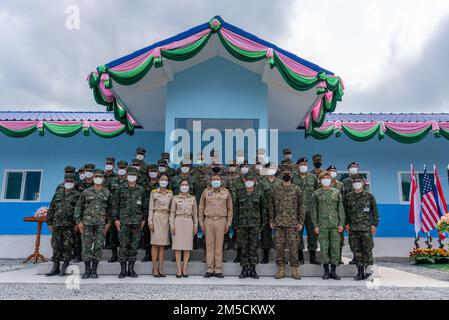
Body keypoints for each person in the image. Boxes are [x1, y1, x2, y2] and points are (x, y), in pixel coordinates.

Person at [74, 170, 113, 279]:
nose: (98, 178)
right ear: (93, 178)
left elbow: (111, 210)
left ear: (103, 179)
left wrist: (109, 224)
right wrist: (79, 222)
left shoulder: (107, 193)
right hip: (86, 224)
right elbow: (78, 208)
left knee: (98, 246)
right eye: (96, 176)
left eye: (100, 176)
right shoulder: (86, 192)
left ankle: (94, 270)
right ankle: (87, 271)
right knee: (86, 246)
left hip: (101, 224)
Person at [269, 165, 304, 280]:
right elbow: (271, 206)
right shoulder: (275, 189)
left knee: (294, 247)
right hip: (278, 223)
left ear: (292, 175)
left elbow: (301, 207)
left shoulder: (297, 189)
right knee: (279, 247)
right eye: (284, 173)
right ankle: (281, 269)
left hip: (293, 224)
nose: (286, 175)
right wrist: (271, 220)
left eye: (288, 173)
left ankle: (294, 269)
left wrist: (300, 222)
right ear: (281, 174)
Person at [113, 167, 148, 278]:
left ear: (137, 177)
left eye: (134, 175)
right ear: (127, 176)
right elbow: (115, 205)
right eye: (130, 175)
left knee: (134, 246)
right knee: (123, 245)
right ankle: (123, 270)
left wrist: (144, 220)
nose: (131, 177)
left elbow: (145, 206)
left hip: (137, 222)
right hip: (123, 222)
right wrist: (116, 220)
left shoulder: (141, 189)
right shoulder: (121, 188)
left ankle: (131, 269)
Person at [344, 174, 379, 280]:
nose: (357, 183)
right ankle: (360, 273)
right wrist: (346, 224)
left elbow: (375, 212)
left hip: (366, 229)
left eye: (359, 181)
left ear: (363, 183)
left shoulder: (369, 196)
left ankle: (368, 273)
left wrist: (374, 225)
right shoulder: (348, 196)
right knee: (356, 251)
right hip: (353, 229)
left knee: (368, 251)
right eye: (354, 182)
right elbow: (344, 211)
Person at [312, 171, 345, 280]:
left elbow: (340, 209)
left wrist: (341, 224)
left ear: (330, 179)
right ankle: (326, 271)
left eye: (328, 177)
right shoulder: (316, 193)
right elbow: (314, 211)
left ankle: (333, 271)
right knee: (324, 248)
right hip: (322, 225)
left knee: (335, 247)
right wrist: (315, 225)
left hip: (335, 225)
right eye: (324, 178)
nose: (326, 179)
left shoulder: (336, 192)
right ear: (320, 180)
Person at [199, 174, 233, 278]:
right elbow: (201, 208)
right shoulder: (205, 192)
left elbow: (230, 209)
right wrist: (201, 223)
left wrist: (228, 223)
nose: (215, 181)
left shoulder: (226, 193)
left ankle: (218, 270)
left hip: (221, 221)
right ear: (210, 181)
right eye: (213, 179)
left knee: (219, 246)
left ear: (221, 181)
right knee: (209, 246)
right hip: (208, 221)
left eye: (217, 179)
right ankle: (209, 269)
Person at [46, 175, 81, 276]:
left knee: (68, 246)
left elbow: (80, 210)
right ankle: (55, 267)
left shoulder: (77, 195)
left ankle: (65, 265)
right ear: (64, 181)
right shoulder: (57, 194)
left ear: (74, 183)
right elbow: (51, 209)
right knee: (56, 245)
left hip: (70, 225)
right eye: (67, 180)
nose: (68, 182)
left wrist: (77, 223)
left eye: (71, 181)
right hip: (57, 224)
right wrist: (49, 223)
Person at [234, 172, 267, 279]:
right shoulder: (240, 193)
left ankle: (252, 269)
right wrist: (236, 224)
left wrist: (262, 224)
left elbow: (263, 210)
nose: (249, 181)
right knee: (244, 247)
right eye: (247, 179)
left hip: (255, 225)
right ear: (244, 180)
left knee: (253, 247)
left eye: (251, 180)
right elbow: (236, 210)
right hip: (242, 225)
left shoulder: (259, 193)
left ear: (254, 181)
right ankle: (244, 269)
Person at [292, 157, 320, 265]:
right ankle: (300, 257)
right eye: (301, 164)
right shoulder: (293, 178)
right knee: (297, 234)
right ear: (297, 166)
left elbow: (317, 193)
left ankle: (313, 257)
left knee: (312, 234)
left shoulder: (313, 178)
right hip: (297, 211)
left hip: (311, 210)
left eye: (305, 164)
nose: (304, 165)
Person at [170, 179, 198, 278]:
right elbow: (172, 213)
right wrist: (172, 225)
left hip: (189, 222)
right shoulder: (175, 198)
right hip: (178, 221)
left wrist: (195, 226)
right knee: (177, 247)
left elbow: (195, 214)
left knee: (187, 247)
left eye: (186, 184)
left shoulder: (193, 198)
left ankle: (184, 269)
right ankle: (178, 270)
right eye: (182, 184)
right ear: (179, 186)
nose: (184, 186)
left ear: (189, 186)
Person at [148, 174, 173, 277]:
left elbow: (172, 209)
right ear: (159, 181)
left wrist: (171, 222)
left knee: (162, 245)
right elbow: (150, 208)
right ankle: (154, 268)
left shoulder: (170, 193)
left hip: (166, 218)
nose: (164, 181)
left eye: (166, 179)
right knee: (155, 244)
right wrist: (150, 221)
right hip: (156, 217)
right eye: (162, 179)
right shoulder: (154, 192)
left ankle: (161, 269)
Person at [258, 162, 281, 264]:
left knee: (279, 235)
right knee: (265, 234)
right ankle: (265, 256)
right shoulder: (262, 182)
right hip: (265, 211)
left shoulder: (280, 182)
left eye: (273, 168)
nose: (271, 170)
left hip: (278, 212)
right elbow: (260, 197)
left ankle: (279, 257)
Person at [107, 160, 128, 263]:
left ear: (126, 169)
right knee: (113, 235)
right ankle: (114, 255)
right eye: (120, 168)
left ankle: (123, 255)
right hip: (113, 211)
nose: (121, 170)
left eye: (123, 168)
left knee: (124, 236)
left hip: (126, 212)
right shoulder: (112, 181)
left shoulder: (129, 182)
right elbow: (107, 194)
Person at [141, 164, 160, 262]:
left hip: (158, 213)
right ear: (148, 173)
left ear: (158, 172)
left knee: (157, 234)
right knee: (147, 234)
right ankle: (147, 254)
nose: (153, 173)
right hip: (146, 212)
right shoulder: (144, 184)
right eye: (151, 171)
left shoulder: (161, 185)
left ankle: (155, 256)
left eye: (155, 171)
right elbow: (142, 198)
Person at [327, 165, 346, 265]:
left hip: (338, 214)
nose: (332, 172)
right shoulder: (324, 184)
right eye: (330, 170)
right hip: (326, 215)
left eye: (334, 170)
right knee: (328, 238)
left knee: (339, 238)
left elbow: (342, 201)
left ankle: (339, 258)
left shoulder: (340, 185)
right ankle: (329, 257)